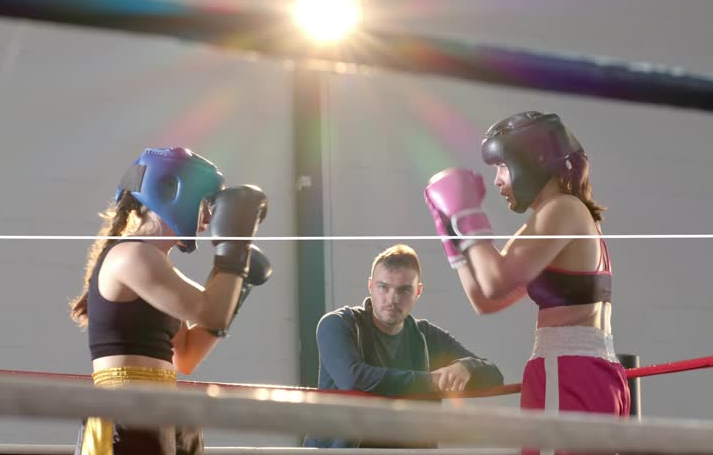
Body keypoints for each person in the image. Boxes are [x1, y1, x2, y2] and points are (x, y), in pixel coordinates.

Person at [423, 111, 630, 455]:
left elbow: (494, 281)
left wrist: (464, 213)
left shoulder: (562, 210)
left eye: (502, 166)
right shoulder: (557, 219)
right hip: (586, 372)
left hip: (566, 372)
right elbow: (485, 299)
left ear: (532, 160)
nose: (497, 181)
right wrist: (452, 236)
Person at [69, 147, 272, 455]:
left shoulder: (157, 266)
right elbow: (212, 313)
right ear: (171, 192)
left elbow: (186, 356)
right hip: (127, 412)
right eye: (205, 202)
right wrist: (234, 250)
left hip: (164, 410)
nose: (210, 216)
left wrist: (237, 289)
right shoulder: (133, 256)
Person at [303, 244, 504, 449]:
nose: (392, 298)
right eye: (384, 287)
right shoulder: (338, 324)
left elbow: (494, 375)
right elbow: (353, 379)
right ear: (370, 286)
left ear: (418, 291)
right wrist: (432, 381)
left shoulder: (427, 335)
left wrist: (466, 367)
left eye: (404, 290)